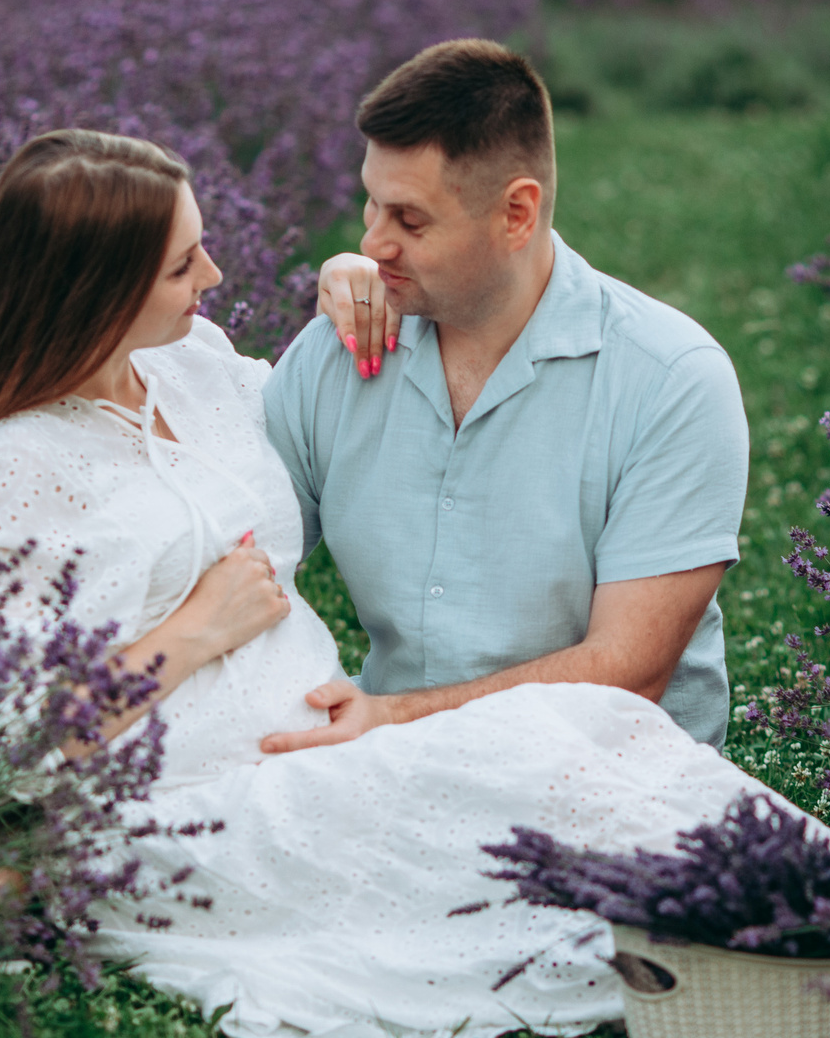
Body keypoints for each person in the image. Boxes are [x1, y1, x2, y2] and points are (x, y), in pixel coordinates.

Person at [0, 127, 830, 1038]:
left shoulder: (193, 366)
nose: (213, 274)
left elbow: (311, 417)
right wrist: (193, 633)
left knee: (582, 728)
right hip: (193, 806)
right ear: (97, 290)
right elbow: (6, 743)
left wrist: (356, 277)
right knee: (516, 822)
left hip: (332, 746)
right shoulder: (6, 473)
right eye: (181, 265)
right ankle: (786, 938)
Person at [264, 39, 749, 752]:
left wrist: (393, 718)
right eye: (371, 203)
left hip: (609, 773)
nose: (372, 243)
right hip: (387, 762)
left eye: (410, 220)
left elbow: (628, 673)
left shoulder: (671, 379)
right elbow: (237, 560)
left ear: (518, 213)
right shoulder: (333, 352)